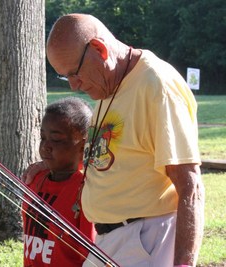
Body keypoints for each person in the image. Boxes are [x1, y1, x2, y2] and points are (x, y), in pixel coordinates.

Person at [23, 14, 205, 267]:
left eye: (75, 73)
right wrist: (53, 163)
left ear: (99, 49)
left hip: (144, 239)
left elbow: (190, 185)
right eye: (66, 77)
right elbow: (113, 157)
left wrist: (184, 264)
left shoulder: (156, 85)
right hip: (110, 241)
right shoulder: (109, 84)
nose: (74, 86)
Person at [22, 97, 95, 266]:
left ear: (83, 147)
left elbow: (90, 252)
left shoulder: (85, 190)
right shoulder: (35, 179)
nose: (45, 146)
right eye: (43, 137)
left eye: (56, 140)